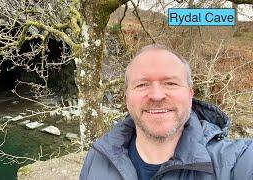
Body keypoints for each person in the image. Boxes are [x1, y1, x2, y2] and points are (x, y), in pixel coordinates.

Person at [79, 44, 253, 180]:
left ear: (190, 94)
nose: (156, 95)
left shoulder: (234, 161)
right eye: (142, 84)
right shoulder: (97, 158)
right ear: (126, 98)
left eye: (170, 83)